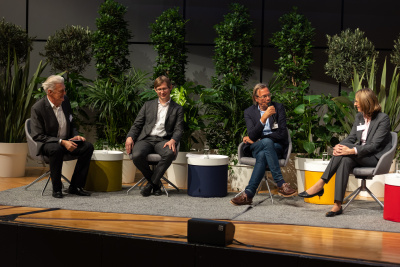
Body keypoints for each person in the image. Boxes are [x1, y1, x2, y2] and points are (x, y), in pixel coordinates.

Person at [299, 88, 392, 217]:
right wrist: (340, 146)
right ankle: (337, 205)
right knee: (345, 159)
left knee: (346, 154)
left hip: (374, 157)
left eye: (357, 101)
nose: (354, 104)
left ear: (366, 102)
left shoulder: (383, 119)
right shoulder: (360, 116)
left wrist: (351, 150)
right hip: (359, 155)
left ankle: (321, 184)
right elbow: (352, 137)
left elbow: (374, 146)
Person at [230, 83, 296, 206]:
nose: (268, 98)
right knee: (265, 145)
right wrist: (263, 118)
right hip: (256, 147)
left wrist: (261, 138)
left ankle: (248, 195)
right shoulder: (249, 112)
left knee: (263, 153)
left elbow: (282, 134)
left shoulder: (278, 108)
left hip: (276, 147)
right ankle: (281, 183)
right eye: (264, 96)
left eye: (268, 95)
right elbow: (252, 135)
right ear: (256, 98)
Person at [30, 75, 94, 199]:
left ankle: (75, 186)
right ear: (50, 92)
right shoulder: (38, 108)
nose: (64, 93)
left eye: (64, 90)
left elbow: (71, 122)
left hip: (67, 141)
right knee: (56, 149)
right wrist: (61, 142)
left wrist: (75, 136)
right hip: (49, 144)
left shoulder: (65, 101)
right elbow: (38, 135)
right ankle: (57, 189)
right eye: (61, 91)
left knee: (87, 147)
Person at [125, 76, 183, 197]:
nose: (162, 92)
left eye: (165, 88)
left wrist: (173, 140)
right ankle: (156, 184)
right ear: (155, 90)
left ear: (170, 87)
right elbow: (137, 124)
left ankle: (150, 184)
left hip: (164, 140)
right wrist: (130, 137)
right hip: (146, 139)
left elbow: (179, 128)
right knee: (137, 155)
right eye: (159, 89)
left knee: (169, 153)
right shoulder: (147, 105)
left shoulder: (177, 108)